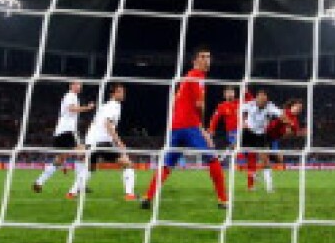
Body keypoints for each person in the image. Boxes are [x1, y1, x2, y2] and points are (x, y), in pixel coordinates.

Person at [141, 46, 228, 208]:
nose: (206, 60)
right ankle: (223, 200)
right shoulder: (197, 76)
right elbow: (199, 105)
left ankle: (147, 197)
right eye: (202, 57)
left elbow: (176, 102)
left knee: (167, 164)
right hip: (189, 127)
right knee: (213, 158)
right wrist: (203, 129)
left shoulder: (186, 78)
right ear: (194, 60)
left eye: (208, 57)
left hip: (176, 127)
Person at [69, 83, 136, 200]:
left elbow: (96, 124)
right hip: (102, 142)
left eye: (123, 91)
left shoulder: (105, 106)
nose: (123, 94)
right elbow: (108, 124)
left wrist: (87, 143)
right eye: (120, 91)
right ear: (113, 94)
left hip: (92, 141)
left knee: (90, 167)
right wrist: (119, 142)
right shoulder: (114, 106)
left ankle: (72, 192)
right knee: (128, 164)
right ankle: (130, 194)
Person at [34, 82, 96, 195]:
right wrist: (87, 107)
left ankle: (39, 182)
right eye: (77, 84)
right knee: (83, 154)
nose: (79, 86)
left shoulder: (73, 96)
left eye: (80, 85)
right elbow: (71, 109)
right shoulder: (70, 96)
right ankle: (80, 186)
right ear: (71, 86)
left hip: (60, 132)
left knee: (60, 160)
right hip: (67, 131)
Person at [240, 88, 283, 192]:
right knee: (240, 153)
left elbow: (281, 113)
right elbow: (239, 111)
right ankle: (252, 176)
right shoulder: (250, 104)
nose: (262, 99)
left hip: (261, 135)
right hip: (248, 133)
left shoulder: (270, 106)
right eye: (260, 96)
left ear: (267, 98)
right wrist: (243, 121)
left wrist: (286, 121)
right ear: (256, 97)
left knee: (265, 159)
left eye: (264, 96)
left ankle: (269, 187)